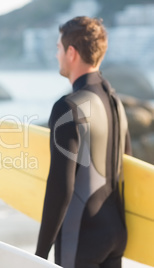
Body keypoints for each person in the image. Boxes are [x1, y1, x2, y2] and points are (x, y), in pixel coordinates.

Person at [35, 17, 132, 268]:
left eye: (58, 48)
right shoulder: (115, 102)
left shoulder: (68, 106)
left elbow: (60, 185)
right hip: (116, 232)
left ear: (71, 52)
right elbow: (128, 165)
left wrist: (39, 254)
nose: (57, 55)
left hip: (81, 235)